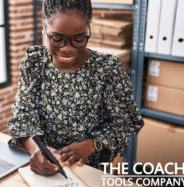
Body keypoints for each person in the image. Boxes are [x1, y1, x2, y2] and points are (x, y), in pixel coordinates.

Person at [8, 0, 144, 176]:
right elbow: (24, 115)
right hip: (43, 166)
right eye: (57, 38)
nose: (67, 49)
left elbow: (128, 122)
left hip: (90, 170)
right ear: (44, 28)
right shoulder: (34, 62)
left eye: (79, 39)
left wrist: (91, 145)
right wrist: (36, 150)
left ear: (88, 28)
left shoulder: (107, 70)